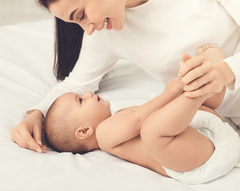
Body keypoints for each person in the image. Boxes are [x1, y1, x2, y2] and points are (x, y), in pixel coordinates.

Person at [11, 0, 240, 153]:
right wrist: (36, 115)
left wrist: (224, 71)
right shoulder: (106, 32)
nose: (88, 29)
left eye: (81, 15)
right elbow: (76, 85)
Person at [43, 45, 240, 184]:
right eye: (80, 100)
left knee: (168, 114)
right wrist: (171, 92)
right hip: (195, 161)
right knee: (151, 130)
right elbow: (139, 121)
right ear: (84, 131)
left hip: (202, 136)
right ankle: (201, 87)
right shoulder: (104, 134)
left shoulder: (117, 116)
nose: (88, 94)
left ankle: (208, 80)